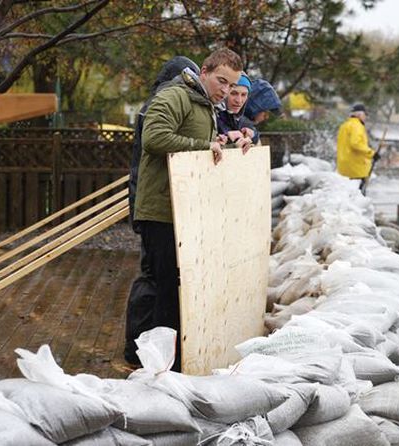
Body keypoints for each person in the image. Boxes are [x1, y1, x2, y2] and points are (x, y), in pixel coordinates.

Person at [132, 48, 243, 371]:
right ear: (204, 71)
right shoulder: (175, 96)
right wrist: (202, 146)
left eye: (231, 84)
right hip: (161, 211)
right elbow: (153, 138)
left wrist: (230, 145)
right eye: (221, 80)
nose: (225, 90)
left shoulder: (203, 104)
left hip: (184, 212)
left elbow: (204, 150)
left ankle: (173, 362)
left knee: (179, 289)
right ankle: (158, 368)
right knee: (166, 290)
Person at [124, 55, 200, 366]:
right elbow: (155, 146)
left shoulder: (155, 102)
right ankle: (139, 351)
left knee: (153, 278)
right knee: (153, 280)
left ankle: (141, 350)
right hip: (152, 202)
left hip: (147, 199)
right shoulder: (161, 104)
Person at [336, 103, 378, 193]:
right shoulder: (357, 126)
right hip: (356, 168)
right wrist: (372, 153)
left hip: (344, 167)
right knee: (359, 196)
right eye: (365, 115)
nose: (365, 117)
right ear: (359, 115)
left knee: (348, 195)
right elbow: (356, 144)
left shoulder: (345, 126)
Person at [216, 72, 259, 146]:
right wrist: (227, 138)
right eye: (233, 93)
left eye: (244, 95)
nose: (239, 100)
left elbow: (256, 137)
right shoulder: (211, 116)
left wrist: (253, 136)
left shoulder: (242, 120)